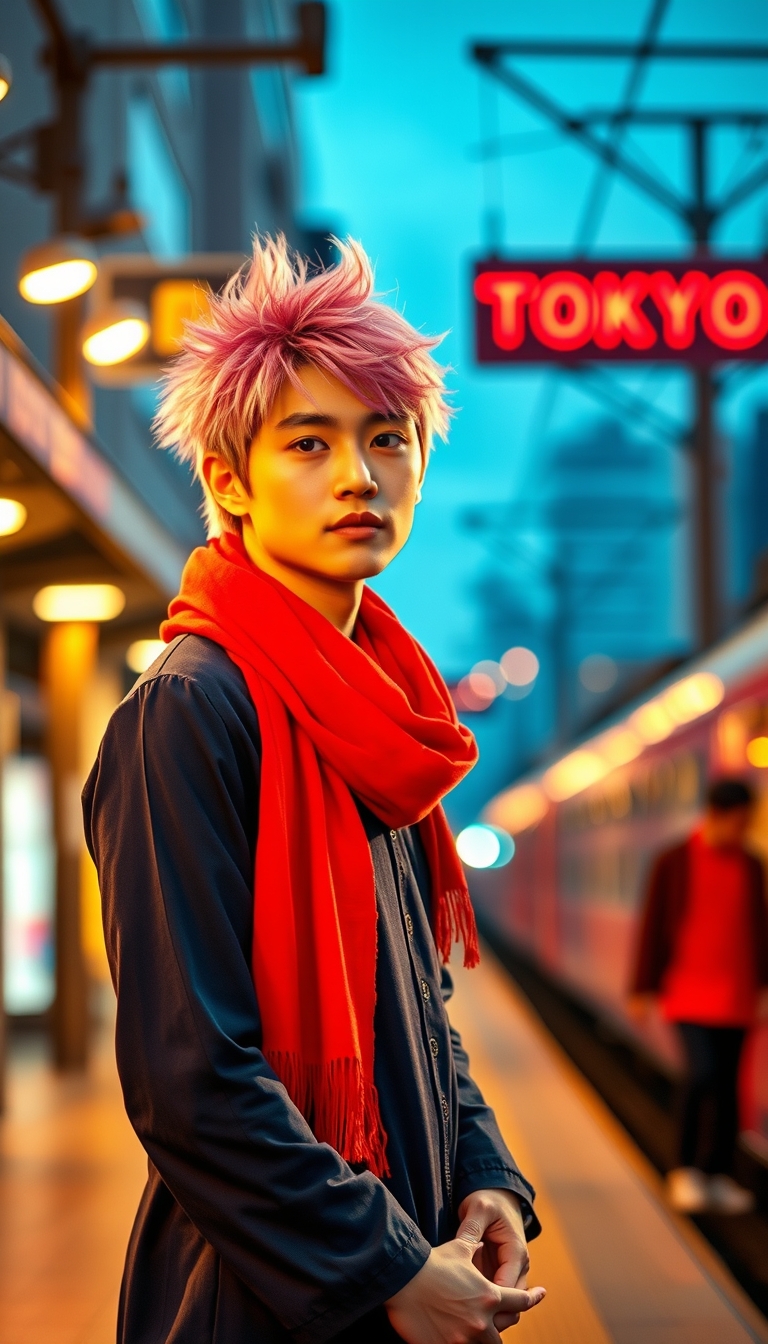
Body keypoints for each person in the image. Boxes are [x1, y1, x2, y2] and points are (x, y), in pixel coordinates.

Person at [83, 236, 545, 1344]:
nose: (359, 474)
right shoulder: (192, 710)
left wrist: (487, 1179)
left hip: (389, 1262)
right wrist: (382, 1268)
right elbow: (190, 1078)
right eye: (309, 441)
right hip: (255, 1295)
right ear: (229, 482)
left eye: (389, 440)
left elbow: (418, 1014)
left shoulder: (379, 716)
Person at [629, 776, 768, 1215]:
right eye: (740, 821)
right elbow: (652, 927)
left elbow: (760, 932)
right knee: (701, 1075)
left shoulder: (751, 865)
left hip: (739, 998)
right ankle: (685, 1170)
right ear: (718, 814)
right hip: (687, 994)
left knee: (730, 1088)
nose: (743, 831)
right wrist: (642, 988)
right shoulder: (674, 860)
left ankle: (719, 1174)